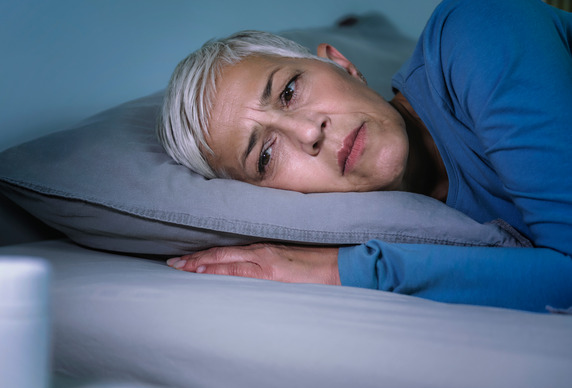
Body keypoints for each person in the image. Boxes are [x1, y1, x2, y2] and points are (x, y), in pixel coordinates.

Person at [157, 0, 572, 312]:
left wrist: (345, 269)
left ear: (342, 64)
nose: (307, 131)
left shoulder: (480, 26)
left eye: (288, 91)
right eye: (265, 155)